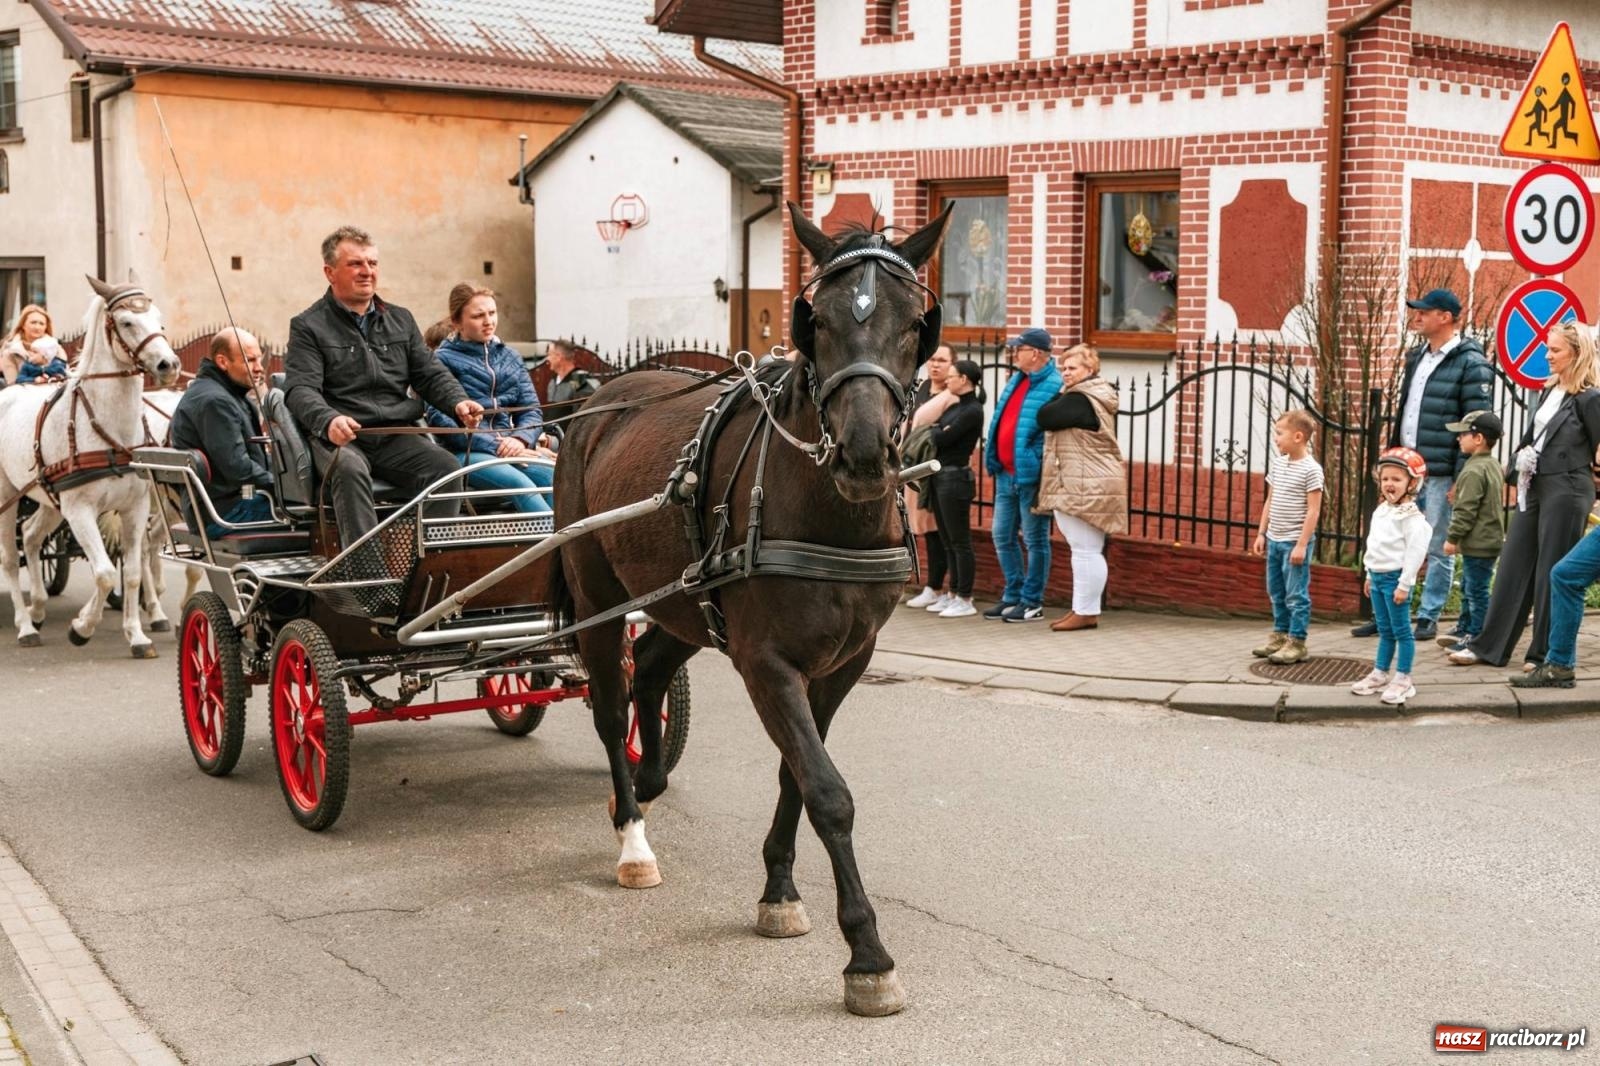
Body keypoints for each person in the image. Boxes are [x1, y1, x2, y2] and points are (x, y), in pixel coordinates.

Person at [283, 225, 483, 546]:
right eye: (355, 264)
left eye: (372, 263)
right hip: (341, 440)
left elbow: (430, 373)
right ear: (330, 273)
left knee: (446, 468)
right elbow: (300, 390)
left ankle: (426, 560)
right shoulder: (308, 326)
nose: (367, 272)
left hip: (394, 436)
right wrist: (329, 420)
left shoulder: (401, 319)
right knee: (348, 470)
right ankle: (367, 570)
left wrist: (458, 402)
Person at [1451, 320, 1600, 668]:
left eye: (1555, 350)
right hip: (1534, 485)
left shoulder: (1590, 398)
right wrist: (1518, 460)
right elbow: (1534, 436)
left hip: (1567, 489)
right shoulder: (1552, 389)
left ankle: (1544, 654)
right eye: (1547, 348)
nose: (1547, 355)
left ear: (1577, 354)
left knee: (1552, 570)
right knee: (1513, 564)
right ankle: (1489, 647)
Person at [1355, 288, 1490, 642]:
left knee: (1436, 543)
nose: (1417, 317)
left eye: (1424, 312)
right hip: (1406, 466)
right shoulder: (1417, 356)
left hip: (1441, 469)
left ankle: (1429, 615)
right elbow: (1406, 408)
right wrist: (1393, 456)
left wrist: (1461, 475)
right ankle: (1388, 613)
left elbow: (1475, 422)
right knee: (1392, 539)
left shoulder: (1470, 363)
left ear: (1445, 317)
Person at [424, 284, 554, 514]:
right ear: (456, 322)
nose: (488, 321)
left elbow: (531, 410)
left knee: (555, 479)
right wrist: (498, 445)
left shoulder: (510, 356)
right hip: (464, 452)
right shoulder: (440, 360)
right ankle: (554, 536)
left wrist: (520, 440)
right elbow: (441, 420)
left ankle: (561, 535)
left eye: (492, 313)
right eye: (478, 316)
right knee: (521, 486)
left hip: (512, 448)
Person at [1034, 343, 1127, 632]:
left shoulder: (1080, 399)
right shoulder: (1087, 395)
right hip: (1087, 480)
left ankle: (1086, 612)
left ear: (1090, 369)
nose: (1066, 373)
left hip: (1086, 483)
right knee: (1085, 548)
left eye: (1072, 368)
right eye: (1063, 368)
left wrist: (1062, 391)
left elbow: (1044, 416)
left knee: (1085, 549)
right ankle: (1083, 609)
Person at [982, 328, 1062, 622]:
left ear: (1036, 353)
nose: (1015, 354)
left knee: (1035, 539)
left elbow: (1053, 433)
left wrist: (1034, 459)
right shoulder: (1018, 379)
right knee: (1002, 535)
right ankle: (1012, 595)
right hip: (1006, 473)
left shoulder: (1055, 385)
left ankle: (1032, 601)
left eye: (1020, 349)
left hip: (1030, 476)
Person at [169, 328, 275, 537]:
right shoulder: (216, 401)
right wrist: (285, 486)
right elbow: (238, 468)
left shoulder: (226, 394)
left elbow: (253, 460)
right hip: (225, 513)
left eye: (259, 360)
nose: (259, 368)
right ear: (223, 362)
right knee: (320, 513)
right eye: (250, 360)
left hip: (225, 505)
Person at [1350, 447, 1433, 705]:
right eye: (1385, 478)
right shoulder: (1382, 511)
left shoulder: (1412, 519)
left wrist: (1404, 585)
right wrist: (1368, 573)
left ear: (1412, 483)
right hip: (1377, 578)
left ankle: (1403, 678)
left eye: (1396, 479)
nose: (1389, 484)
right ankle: (1380, 673)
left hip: (1396, 580)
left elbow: (1415, 554)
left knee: (1402, 632)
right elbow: (1374, 544)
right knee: (1385, 631)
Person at [1250, 409, 1324, 664]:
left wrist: (1301, 545)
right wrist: (1262, 533)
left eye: (1280, 433)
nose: (1276, 438)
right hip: (1274, 540)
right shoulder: (1279, 464)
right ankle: (1280, 636)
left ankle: (1297, 641)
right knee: (1276, 591)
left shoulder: (1311, 470)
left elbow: (1313, 510)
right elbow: (1270, 500)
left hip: (1294, 543)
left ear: (1298, 437)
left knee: (1296, 595)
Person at [920, 358, 985, 618]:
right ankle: (952, 592)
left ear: (964, 380)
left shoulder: (973, 410)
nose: (947, 379)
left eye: (952, 375)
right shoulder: (956, 406)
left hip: (955, 479)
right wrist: (938, 431)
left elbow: (942, 437)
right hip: (940, 477)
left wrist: (939, 431)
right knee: (947, 540)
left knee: (960, 541)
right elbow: (934, 430)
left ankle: (964, 597)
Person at [1437, 410, 1506, 651]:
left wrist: (1452, 538)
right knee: (1469, 587)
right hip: (1486, 540)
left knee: (1476, 592)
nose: (1458, 438)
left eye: (1463, 434)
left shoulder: (1474, 470)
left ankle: (1478, 637)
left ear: (1478, 439)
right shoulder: (1492, 464)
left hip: (1479, 542)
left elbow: (1466, 510)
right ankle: (1465, 627)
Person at [904, 345, 957, 610]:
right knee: (916, 527)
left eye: (943, 360)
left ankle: (935, 586)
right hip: (911, 466)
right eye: (933, 359)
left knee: (935, 530)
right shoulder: (923, 388)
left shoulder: (953, 396)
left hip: (934, 469)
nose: (936, 365)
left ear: (952, 365)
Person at [1, 305, 68, 385]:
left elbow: (64, 377)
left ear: (46, 327)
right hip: (24, 391)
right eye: (33, 322)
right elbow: (13, 383)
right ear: (23, 325)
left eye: (41, 324)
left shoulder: (56, 348)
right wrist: (35, 380)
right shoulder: (10, 352)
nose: (37, 327)